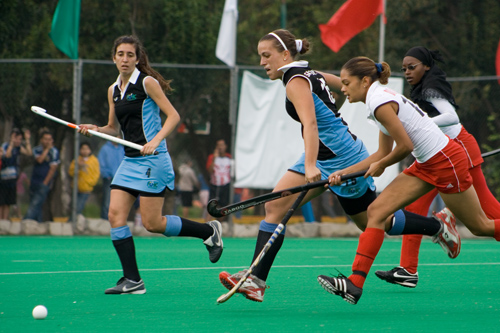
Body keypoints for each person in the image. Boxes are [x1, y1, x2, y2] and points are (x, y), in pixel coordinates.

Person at [219, 29, 456, 303]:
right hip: (323, 155)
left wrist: (310, 165)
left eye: (266, 55)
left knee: (374, 221)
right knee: (275, 205)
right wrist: (326, 134)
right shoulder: (310, 74)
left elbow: (311, 123)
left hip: (343, 159)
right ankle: (256, 280)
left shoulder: (295, 81)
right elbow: (342, 88)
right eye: (261, 56)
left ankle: (436, 226)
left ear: (285, 54)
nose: (262, 62)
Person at [317, 56, 500, 305]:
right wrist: (344, 173)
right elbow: (381, 153)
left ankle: (356, 281)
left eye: (347, 83)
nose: (343, 88)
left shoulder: (380, 102)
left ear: (365, 81)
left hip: (446, 162)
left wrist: (381, 166)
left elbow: (404, 146)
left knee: (480, 226)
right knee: (377, 211)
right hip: (427, 163)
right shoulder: (376, 100)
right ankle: (354, 283)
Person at [78, 35, 223, 295]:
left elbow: (173, 116)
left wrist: (155, 140)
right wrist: (96, 129)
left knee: (152, 223)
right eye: (120, 54)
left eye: (129, 55)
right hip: (130, 161)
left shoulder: (146, 83)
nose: (124, 59)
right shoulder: (113, 90)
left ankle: (207, 231)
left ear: (137, 58)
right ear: (114, 58)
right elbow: (113, 128)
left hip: (153, 161)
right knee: (115, 215)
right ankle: (133, 280)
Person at [375, 46, 500, 288]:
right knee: (415, 207)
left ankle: (410, 266)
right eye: (404, 69)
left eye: (412, 67)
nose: (408, 72)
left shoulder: (432, 88)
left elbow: (452, 117)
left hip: (457, 150)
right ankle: (408, 270)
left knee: (489, 213)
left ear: (427, 67)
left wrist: (421, 125)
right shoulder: (422, 89)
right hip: (437, 154)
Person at [24, 129, 60, 222]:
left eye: (49, 139)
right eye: (45, 139)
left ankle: (25, 222)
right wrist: (46, 149)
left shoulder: (54, 151)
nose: (47, 141)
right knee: (37, 205)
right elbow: (39, 160)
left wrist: (45, 183)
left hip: (44, 183)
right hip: (34, 181)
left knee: (35, 204)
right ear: (41, 140)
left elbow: (53, 168)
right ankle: (37, 225)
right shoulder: (37, 149)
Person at [1, 128, 32, 220]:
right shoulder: (5, 146)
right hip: (3, 180)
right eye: (16, 138)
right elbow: (7, 156)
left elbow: (29, 153)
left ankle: (5, 220)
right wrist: (11, 143)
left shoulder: (18, 148)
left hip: (12, 180)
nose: (18, 141)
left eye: (19, 139)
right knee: (1, 202)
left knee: (8, 202)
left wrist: (27, 140)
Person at [69, 142, 100, 215]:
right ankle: (73, 220)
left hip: (86, 188)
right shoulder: (77, 160)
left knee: (79, 206)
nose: (85, 151)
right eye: (83, 149)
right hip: (76, 187)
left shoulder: (94, 160)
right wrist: (79, 167)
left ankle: (74, 220)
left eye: (87, 149)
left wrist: (90, 183)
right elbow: (71, 172)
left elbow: (96, 174)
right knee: (74, 206)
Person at [205, 139, 232, 221]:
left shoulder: (229, 158)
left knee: (223, 206)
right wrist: (214, 158)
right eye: (218, 145)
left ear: (225, 146)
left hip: (225, 185)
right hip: (214, 185)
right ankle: (206, 224)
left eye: (222, 145)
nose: (220, 147)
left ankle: (220, 224)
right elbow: (210, 170)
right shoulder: (212, 157)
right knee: (211, 205)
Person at [97, 140, 124, 220]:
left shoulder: (122, 149)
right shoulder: (105, 148)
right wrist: (106, 174)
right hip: (109, 178)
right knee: (107, 199)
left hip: (120, 179)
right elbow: (101, 163)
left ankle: (118, 218)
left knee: (120, 200)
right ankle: (105, 218)